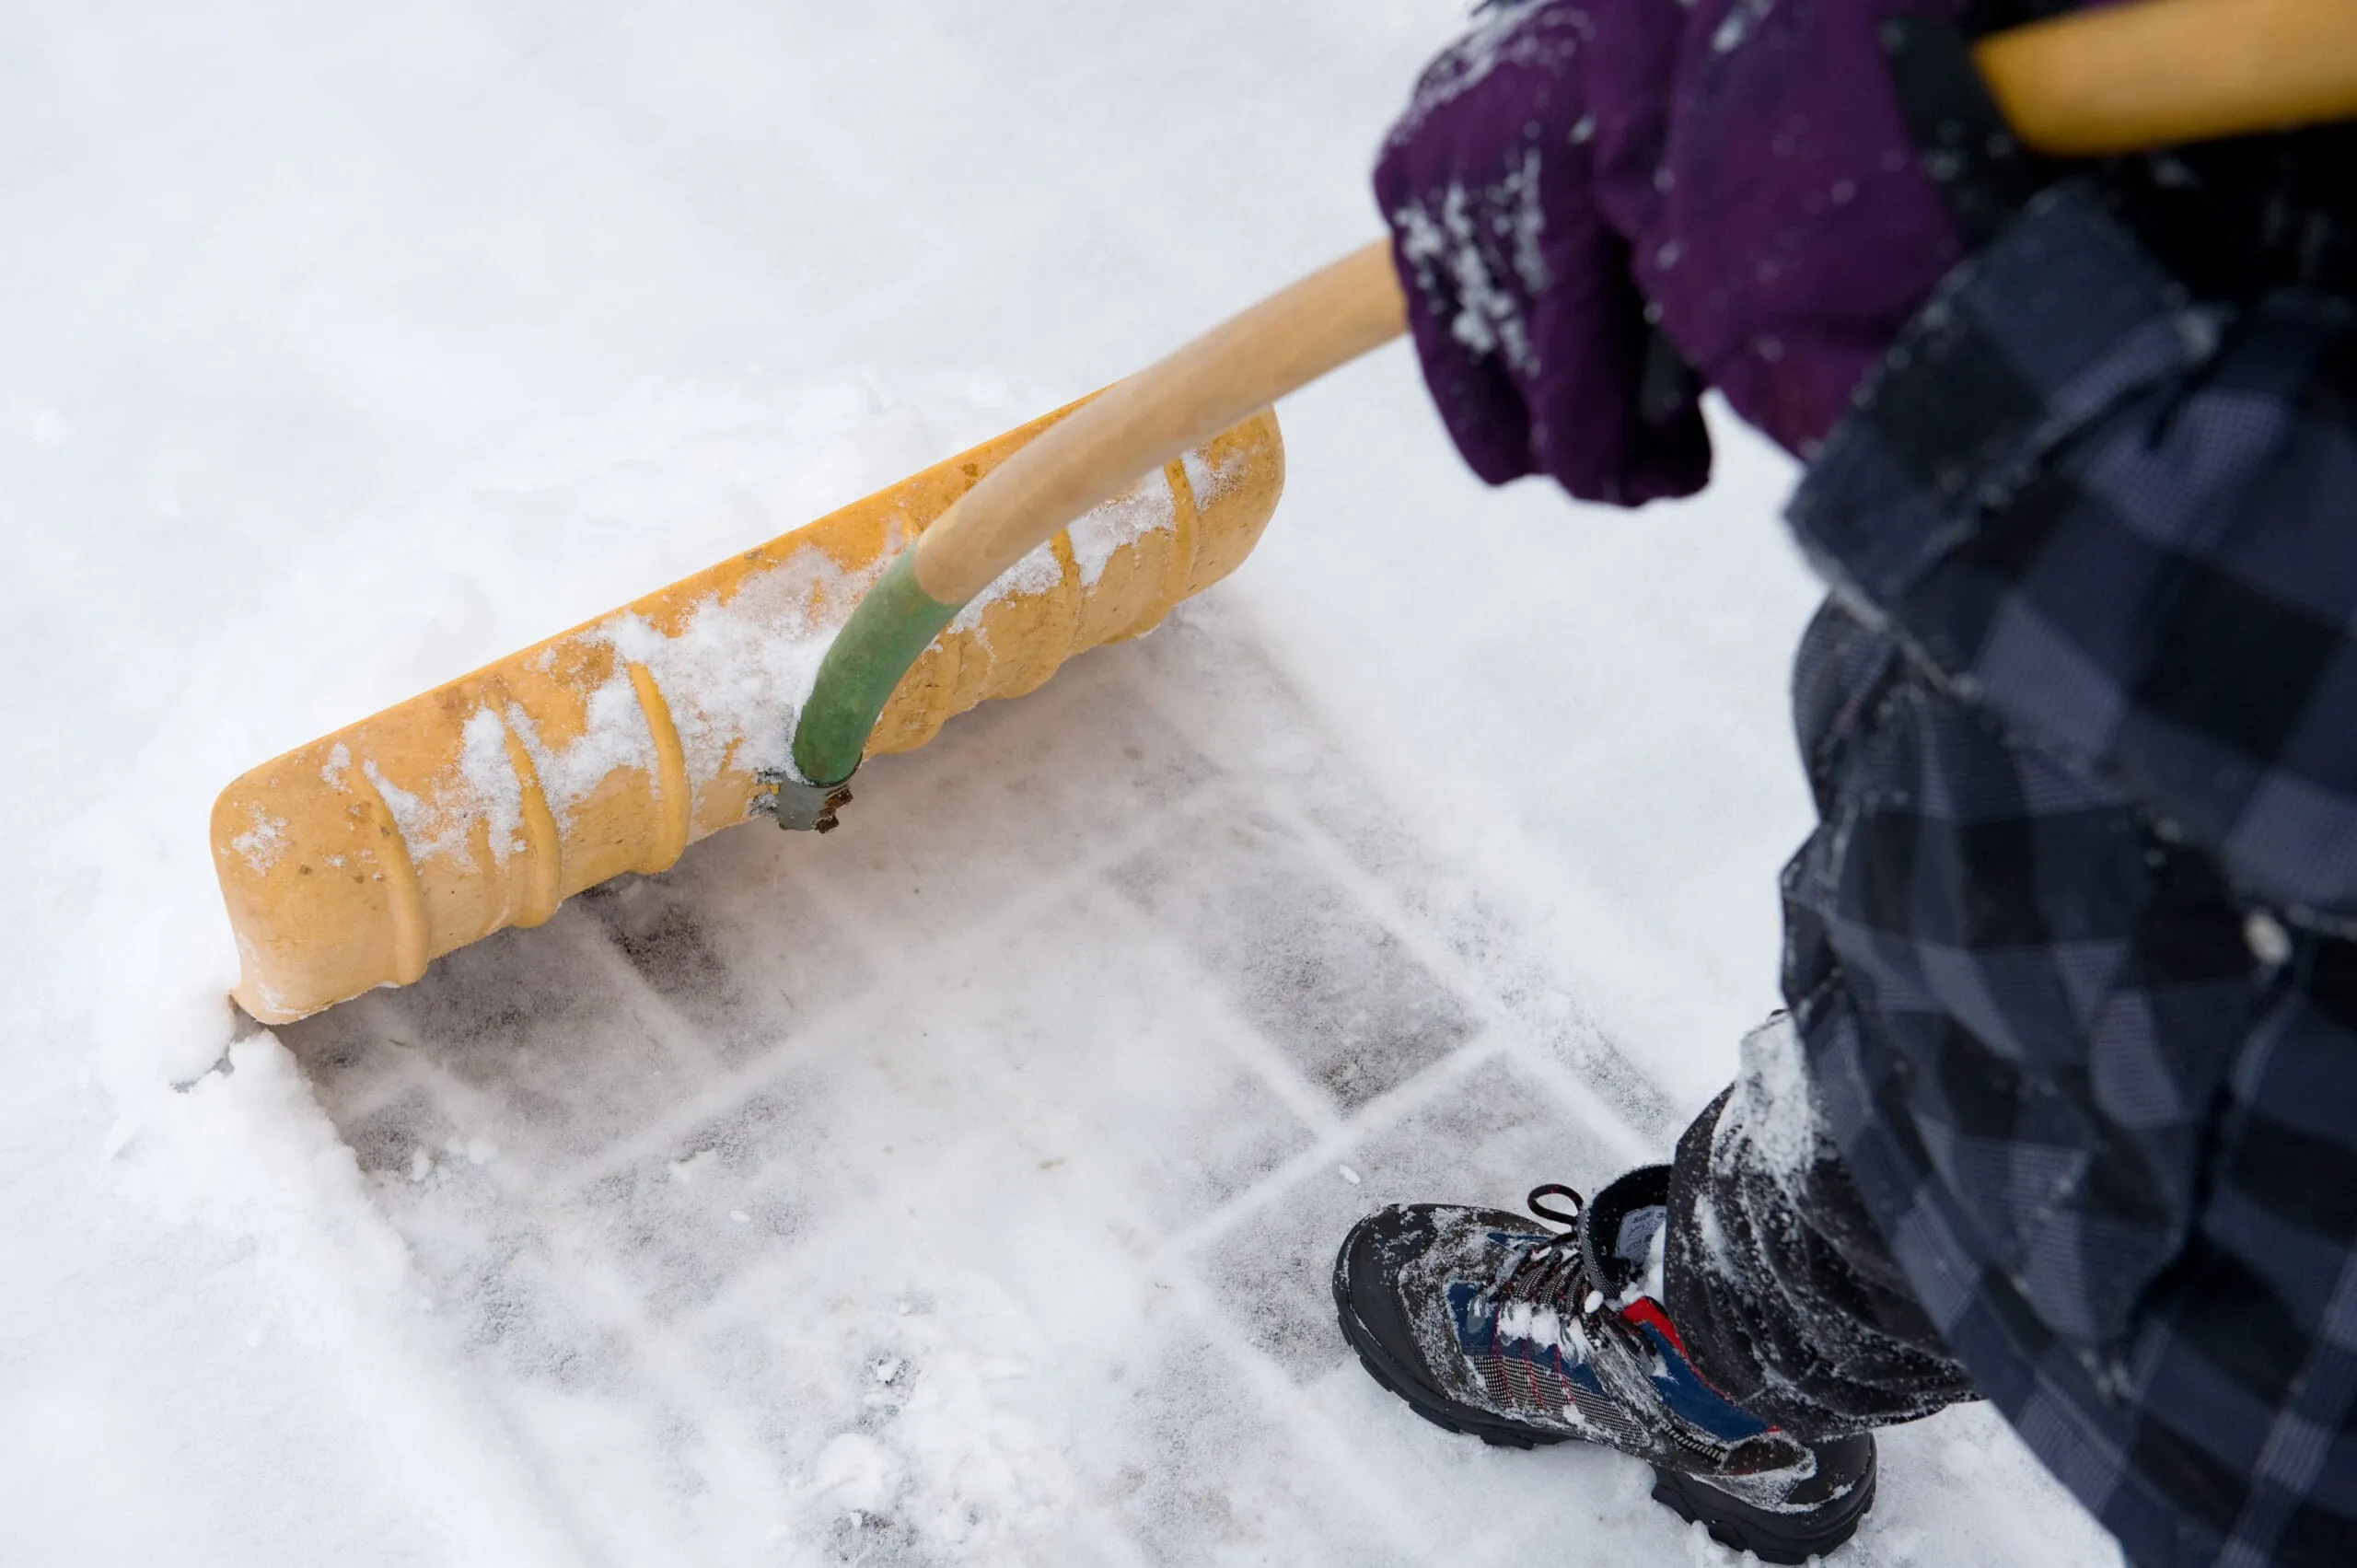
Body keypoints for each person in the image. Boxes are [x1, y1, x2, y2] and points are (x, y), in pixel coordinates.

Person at [1328, 2, 2357, 1563]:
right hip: (2088, 831)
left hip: (2264, 1028)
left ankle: (1700, 1370)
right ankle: (1717, 1347)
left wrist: (1983, 359)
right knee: (1948, 1083)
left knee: (2020, 1114)